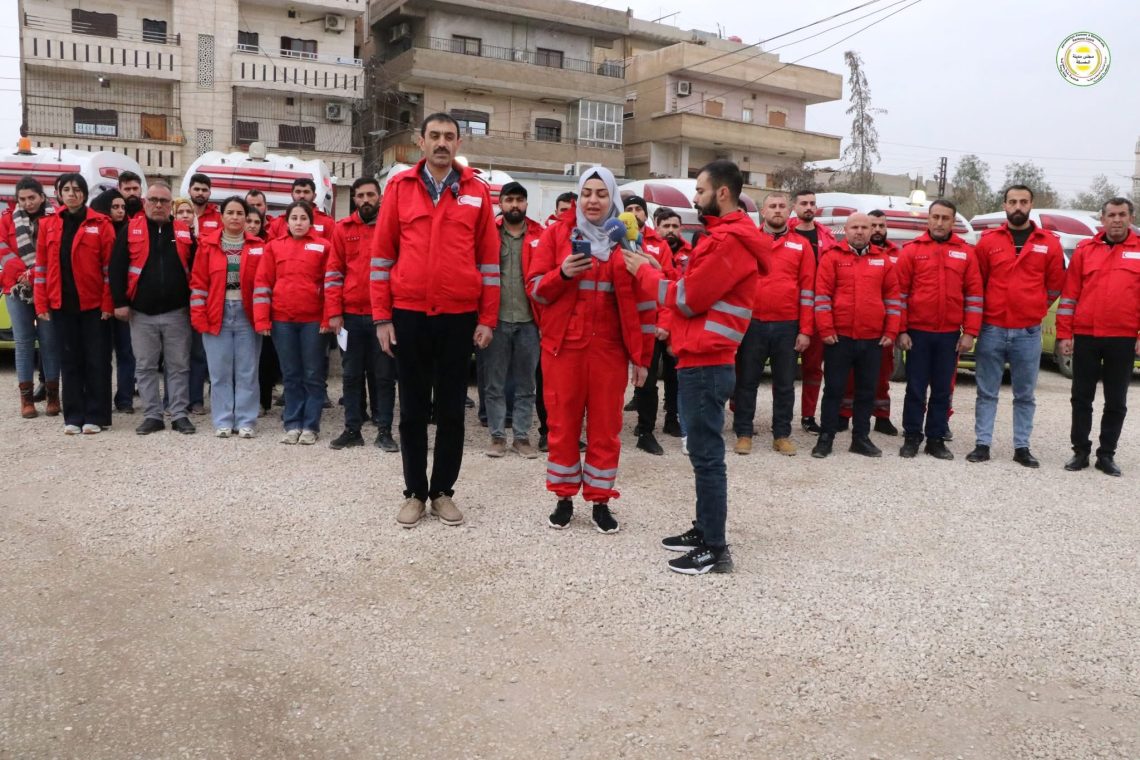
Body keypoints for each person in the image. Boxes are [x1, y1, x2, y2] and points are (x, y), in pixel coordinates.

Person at [624, 160, 763, 574]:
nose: (695, 198)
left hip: (708, 359)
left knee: (706, 456)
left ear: (722, 193)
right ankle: (704, 530)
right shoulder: (721, 237)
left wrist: (647, 274)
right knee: (701, 453)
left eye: (700, 191)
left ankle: (715, 549)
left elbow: (687, 298)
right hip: (699, 356)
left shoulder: (731, 241)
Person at [372, 113, 500, 528]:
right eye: (435, 136)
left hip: (458, 317)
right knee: (410, 410)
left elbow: (489, 263)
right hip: (409, 315)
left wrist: (488, 318)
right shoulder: (399, 189)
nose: (442, 143)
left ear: (458, 143)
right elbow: (382, 258)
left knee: (450, 411)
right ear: (420, 142)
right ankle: (414, 492)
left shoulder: (477, 193)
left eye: (449, 136)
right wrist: (381, 317)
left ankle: (443, 492)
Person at [527, 165, 654, 534]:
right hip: (563, 348)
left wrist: (641, 357)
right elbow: (535, 289)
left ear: (612, 198)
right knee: (562, 425)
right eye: (586, 193)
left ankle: (600, 500)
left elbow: (643, 304)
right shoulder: (556, 236)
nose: (593, 200)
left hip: (609, 351)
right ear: (578, 197)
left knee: (606, 428)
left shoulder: (626, 241)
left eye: (601, 193)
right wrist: (562, 273)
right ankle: (564, 497)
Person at [968, 185, 1064, 466]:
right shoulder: (988, 241)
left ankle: (1022, 447)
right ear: (1005, 205)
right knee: (986, 391)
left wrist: (1034, 306)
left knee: (1025, 394)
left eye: (1023, 201)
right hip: (992, 328)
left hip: (1028, 331)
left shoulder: (1049, 242)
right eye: (1013, 202)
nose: (1018, 206)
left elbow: (1055, 283)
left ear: (1031, 204)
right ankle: (982, 444)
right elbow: (978, 283)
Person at [1057, 197, 1140, 477]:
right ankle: (1080, 452)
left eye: (1122, 215)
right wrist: (1064, 334)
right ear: (1102, 219)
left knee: (1116, 400)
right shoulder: (1085, 250)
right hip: (1087, 336)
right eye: (1112, 215)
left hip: (1123, 337)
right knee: (1081, 398)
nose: (1117, 220)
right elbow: (1069, 296)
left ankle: (1106, 455)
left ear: (1130, 218)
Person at [893, 199, 982, 460]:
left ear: (953, 221)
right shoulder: (911, 251)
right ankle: (911, 437)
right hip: (917, 333)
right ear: (928, 220)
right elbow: (900, 295)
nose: (940, 222)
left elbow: (974, 295)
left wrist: (970, 332)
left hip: (949, 334)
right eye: (936, 217)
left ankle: (935, 439)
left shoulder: (966, 253)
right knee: (916, 388)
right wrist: (901, 330)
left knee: (943, 389)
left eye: (945, 218)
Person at [109, 180, 197, 435]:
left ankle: (179, 414)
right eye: (154, 200)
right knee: (145, 366)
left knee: (179, 365)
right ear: (145, 202)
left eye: (164, 201)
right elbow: (116, 269)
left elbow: (196, 269)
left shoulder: (183, 231)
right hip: (141, 313)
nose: (159, 205)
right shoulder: (130, 230)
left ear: (171, 204)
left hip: (177, 312)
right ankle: (152, 415)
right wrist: (120, 303)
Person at [810, 213, 899, 459]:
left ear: (872, 231)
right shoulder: (832, 258)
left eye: (864, 227)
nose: (859, 232)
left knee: (866, 391)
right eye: (855, 227)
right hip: (839, 338)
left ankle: (861, 438)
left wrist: (891, 330)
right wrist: (826, 329)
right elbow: (822, 296)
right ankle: (825, 438)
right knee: (834, 389)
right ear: (845, 231)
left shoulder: (883, 260)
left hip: (872, 339)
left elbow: (893, 298)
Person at [732, 191, 814, 457]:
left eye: (782, 206)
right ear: (763, 212)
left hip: (787, 325)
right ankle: (743, 432)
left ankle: (782, 434)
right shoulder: (748, 242)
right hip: (751, 323)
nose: (778, 210)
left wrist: (805, 330)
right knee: (746, 382)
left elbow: (808, 290)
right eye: (772, 206)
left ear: (789, 212)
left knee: (785, 384)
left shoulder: (802, 246)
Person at [33, 173, 116, 434]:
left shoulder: (101, 224)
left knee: (96, 360)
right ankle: (73, 415)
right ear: (59, 193)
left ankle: (96, 415)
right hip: (62, 304)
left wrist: (107, 303)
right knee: (69, 361)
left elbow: (109, 269)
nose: (72, 194)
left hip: (93, 305)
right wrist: (41, 303)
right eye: (66, 189)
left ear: (84, 193)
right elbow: (41, 267)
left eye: (77, 189)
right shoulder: (48, 224)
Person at [326, 178, 398, 452]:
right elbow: (333, 272)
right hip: (351, 317)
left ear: (380, 197)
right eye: (360, 196)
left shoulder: (391, 228)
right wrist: (334, 312)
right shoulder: (343, 229)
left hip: (384, 317)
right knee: (351, 375)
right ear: (354, 199)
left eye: (370, 195)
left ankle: (384, 431)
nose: (366, 199)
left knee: (384, 376)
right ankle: (352, 429)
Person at [254, 201, 331, 445]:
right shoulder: (274, 247)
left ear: (311, 221)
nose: (298, 222)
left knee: (312, 374)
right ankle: (292, 424)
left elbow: (331, 285)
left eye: (303, 218)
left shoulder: (323, 246)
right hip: (282, 320)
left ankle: (310, 426)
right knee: (290, 374)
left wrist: (328, 317)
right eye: (294, 218)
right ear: (286, 222)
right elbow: (263, 283)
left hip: (313, 321)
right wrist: (262, 318)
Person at [189, 196, 264, 438]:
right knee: (219, 372)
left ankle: (245, 421)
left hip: (247, 315)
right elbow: (198, 284)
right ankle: (222, 420)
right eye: (230, 212)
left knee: (247, 371)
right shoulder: (207, 246)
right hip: (216, 314)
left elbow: (264, 284)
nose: (235, 217)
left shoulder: (258, 246)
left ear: (246, 218)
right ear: (221, 216)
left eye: (239, 213)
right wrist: (199, 316)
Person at [482, 181, 543, 459]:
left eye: (519, 200)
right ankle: (497, 437)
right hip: (495, 320)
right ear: (501, 204)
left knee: (526, 384)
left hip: (530, 322)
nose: (515, 205)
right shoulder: (488, 235)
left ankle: (521, 437)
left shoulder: (541, 236)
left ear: (526, 203)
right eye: (509, 200)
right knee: (493, 383)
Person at [1, 176, 61, 418]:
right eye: (22, 199)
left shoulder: (55, 219)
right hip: (16, 287)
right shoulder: (6, 220)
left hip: (46, 286)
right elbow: (2, 247)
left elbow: (56, 251)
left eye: (31, 198)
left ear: (42, 196)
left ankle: (53, 396)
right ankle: (26, 400)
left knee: (49, 342)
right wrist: (21, 273)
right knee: (24, 343)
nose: (27, 203)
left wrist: (35, 273)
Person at [838, 209, 900, 434]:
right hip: (856, 326)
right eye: (872, 225)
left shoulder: (895, 254)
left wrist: (895, 328)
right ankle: (844, 414)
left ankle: (882, 416)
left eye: (881, 226)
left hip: (882, 328)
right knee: (850, 376)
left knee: (882, 375)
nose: (876, 230)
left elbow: (897, 294)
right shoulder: (849, 253)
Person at [625, 194, 677, 455]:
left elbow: (669, 285)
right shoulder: (612, 241)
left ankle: (646, 432)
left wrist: (665, 322)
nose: (634, 213)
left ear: (647, 215)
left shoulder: (660, 246)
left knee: (647, 381)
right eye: (629, 209)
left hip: (650, 324)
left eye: (639, 209)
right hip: (620, 321)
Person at [535, 193, 579, 450]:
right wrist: (562, 274)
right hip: (555, 333)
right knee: (554, 398)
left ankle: (598, 491)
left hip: (598, 345)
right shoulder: (550, 236)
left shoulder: (612, 237)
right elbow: (536, 287)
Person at [792, 189, 837, 434]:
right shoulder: (782, 233)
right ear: (794, 206)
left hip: (818, 310)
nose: (809, 207)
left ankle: (808, 416)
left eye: (812, 203)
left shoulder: (827, 238)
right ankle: (777, 418)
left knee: (812, 369)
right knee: (781, 369)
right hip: (788, 310)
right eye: (804, 203)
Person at [91, 188, 137, 414]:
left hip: (125, 301)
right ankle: (102, 398)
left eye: (122, 207)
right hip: (101, 303)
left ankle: (125, 399)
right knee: (102, 353)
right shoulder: (97, 231)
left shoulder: (131, 231)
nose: (120, 211)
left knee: (127, 352)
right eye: (115, 207)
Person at [652, 207, 690, 441]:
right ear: (656, 228)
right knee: (647, 377)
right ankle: (646, 423)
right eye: (666, 226)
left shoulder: (690, 254)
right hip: (654, 321)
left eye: (675, 226)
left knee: (675, 376)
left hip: (679, 323)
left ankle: (671, 419)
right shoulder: (650, 252)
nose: (671, 231)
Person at [267, 179, 334, 239]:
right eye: (298, 192)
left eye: (306, 192)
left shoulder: (327, 223)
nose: (302, 196)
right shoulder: (278, 223)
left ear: (314, 196)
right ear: (292, 194)